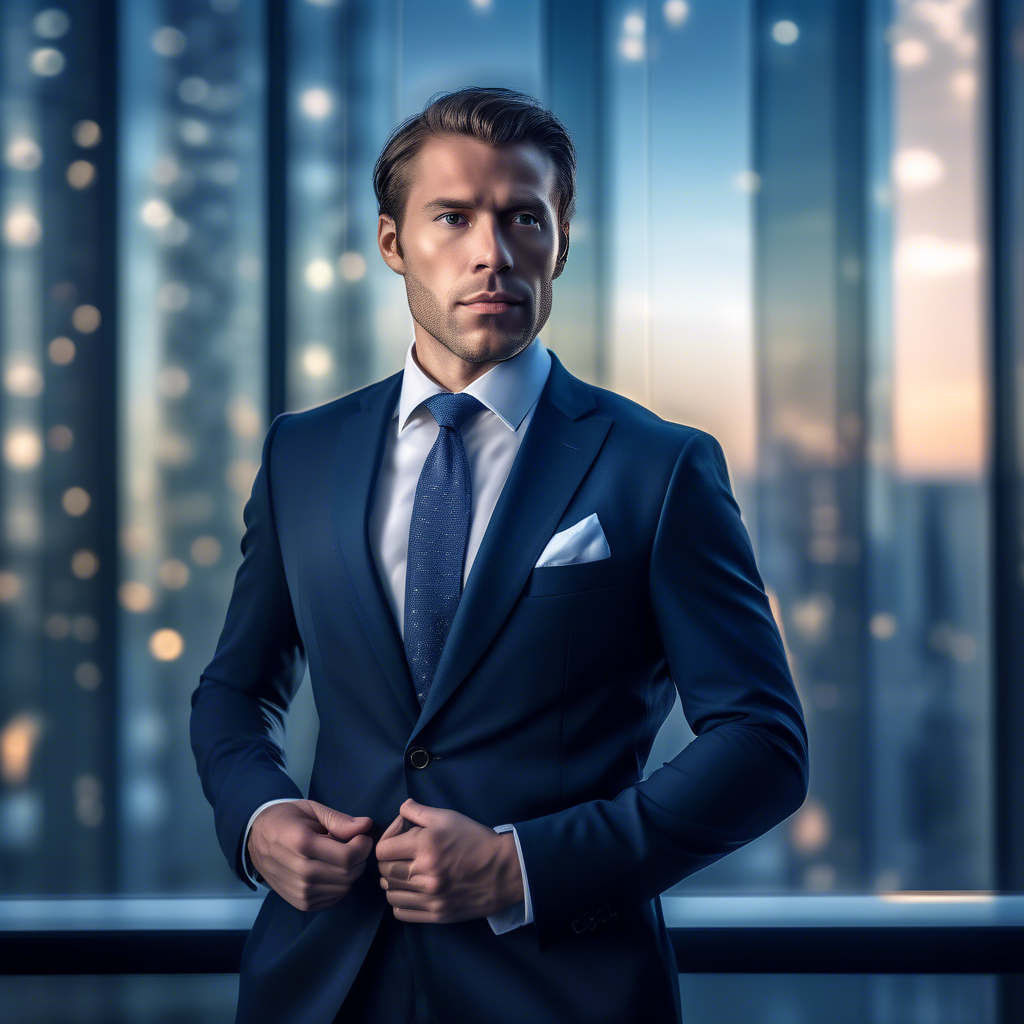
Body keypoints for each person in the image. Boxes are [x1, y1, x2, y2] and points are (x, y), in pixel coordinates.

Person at [190, 85, 809, 1024]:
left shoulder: (659, 466)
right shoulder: (301, 453)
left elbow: (762, 746)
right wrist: (258, 820)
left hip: (562, 988)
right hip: (318, 986)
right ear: (393, 243)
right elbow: (236, 692)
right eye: (453, 217)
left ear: (560, 240)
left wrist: (525, 864)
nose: (493, 252)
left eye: (525, 216)